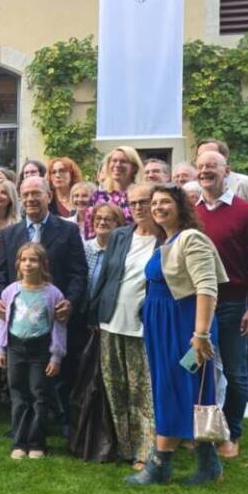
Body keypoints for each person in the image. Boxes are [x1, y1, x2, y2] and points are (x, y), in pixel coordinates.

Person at [126, 184, 227, 486]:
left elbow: (207, 287)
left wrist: (201, 334)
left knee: (183, 389)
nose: (157, 207)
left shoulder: (191, 238)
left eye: (165, 202)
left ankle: (162, 465)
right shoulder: (166, 240)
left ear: (181, 206)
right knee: (173, 389)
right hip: (162, 329)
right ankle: (205, 464)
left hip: (184, 329)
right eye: (154, 203)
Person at [0, 177, 86, 428]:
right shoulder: (10, 234)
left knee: (58, 375)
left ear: (49, 196)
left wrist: (70, 302)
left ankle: (61, 424)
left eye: (36, 193)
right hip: (21, 323)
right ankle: (24, 428)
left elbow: (78, 273)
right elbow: (0, 274)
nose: (31, 199)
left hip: (55, 319)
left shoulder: (68, 230)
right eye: (26, 194)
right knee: (21, 382)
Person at [195, 151, 248, 459]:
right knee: (195, 367)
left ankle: (230, 433)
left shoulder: (247, 213)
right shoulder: (191, 212)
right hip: (196, 304)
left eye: (212, 166)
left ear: (227, 172)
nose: (205, 171)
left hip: (232, 304)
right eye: (200, 166)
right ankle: (200, 430)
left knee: (236, 374)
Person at [89, 183, 159, 470]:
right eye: (134, 203)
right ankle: (123, 446)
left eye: (145, 201)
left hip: (143, 327)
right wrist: (95, 315)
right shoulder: (120, 235)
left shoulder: (167, 239)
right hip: (111, 322)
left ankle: (145, 451)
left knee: (143, 392)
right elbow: (105, 276)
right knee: (115, 389)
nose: (139, 207)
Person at [0, 242, 68, 460]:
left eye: (33, 260)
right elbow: (4, 322)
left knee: (39, 394)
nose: (28, 264)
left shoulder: (53, 294)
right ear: (18, 264)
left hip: (41, 350)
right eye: (24, 260)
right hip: (16, 348)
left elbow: (59, 327)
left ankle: (37, 442)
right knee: (18, 394)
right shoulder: (11, 291)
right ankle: (19, 442)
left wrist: (56, 356)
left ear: (43, 264)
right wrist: (1, 349)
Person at [196, 139, 248, 220]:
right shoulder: (197, 187)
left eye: (211, 154)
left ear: (224, 158)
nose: (205, 158)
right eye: (200, 155)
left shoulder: (247, 185)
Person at [87, 146, 143, 237]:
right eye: (114, 161)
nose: (117, 165)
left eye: (123, 161)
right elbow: (89, 229)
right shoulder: (97, 197)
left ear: (134, 168)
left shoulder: (141, 196)